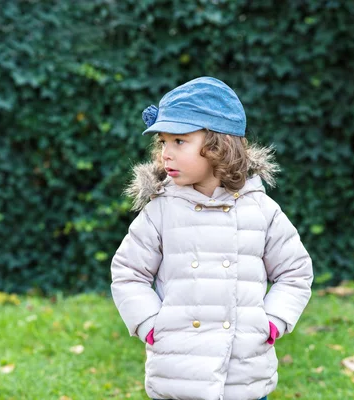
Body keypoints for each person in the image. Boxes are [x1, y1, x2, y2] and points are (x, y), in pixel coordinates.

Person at [111, 76, 314, 400]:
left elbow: (295, 272)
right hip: (178, 371)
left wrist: (273, 321)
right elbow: (128, 273)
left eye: (179, 141)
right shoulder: (160, 211)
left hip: (244, 373)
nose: (166, 153)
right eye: (163, 142)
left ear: (218, 146)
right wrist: (150, 324)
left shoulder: (261, 210)